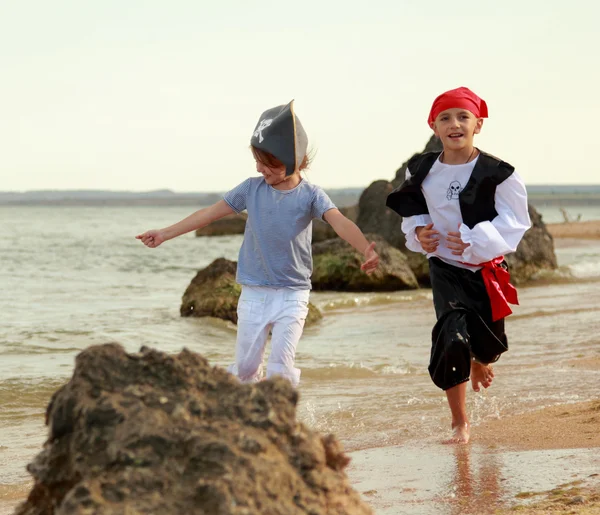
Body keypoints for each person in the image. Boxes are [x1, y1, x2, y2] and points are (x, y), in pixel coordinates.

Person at [137, 100, 379, 386]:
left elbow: (339, 221)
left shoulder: (311, 195)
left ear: (295, 160)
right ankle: (242, 417)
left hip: (293, 294)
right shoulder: (251, 189)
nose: (260, 168)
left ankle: (282, 421)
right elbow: (209, 214)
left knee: (280, 367)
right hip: (254, 292)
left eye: (269, 163)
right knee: (245, 369)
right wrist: (165, 233)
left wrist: (364, 248)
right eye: (258, 160)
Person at [386, 87, 531, 444]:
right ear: (433, 126)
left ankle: (481, 357)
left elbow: (515, 222)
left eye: (463, 117)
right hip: (444, 267)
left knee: (490, 344)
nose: (454, 124)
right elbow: (413, 209)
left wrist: (475, 239)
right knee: (451, 337)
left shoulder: (499, 173)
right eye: (445, 118)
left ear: (478, 125)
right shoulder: (421, 169)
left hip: (484, 268)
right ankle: (459, 422)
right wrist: (419, 232)